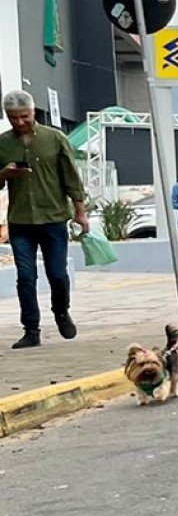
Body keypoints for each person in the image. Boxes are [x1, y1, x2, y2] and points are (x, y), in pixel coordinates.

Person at [0, 89, 88, 349]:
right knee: (26, 276)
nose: (19, 123)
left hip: (53, 217)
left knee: (58, 274)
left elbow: (72, 178)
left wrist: (80, 213)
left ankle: (61, 311)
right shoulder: (3, 143)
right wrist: (4, 174)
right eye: (13, 118)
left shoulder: (55, 138)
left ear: (33, 111)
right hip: (20, 220)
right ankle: (31, 329)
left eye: (24, 117)